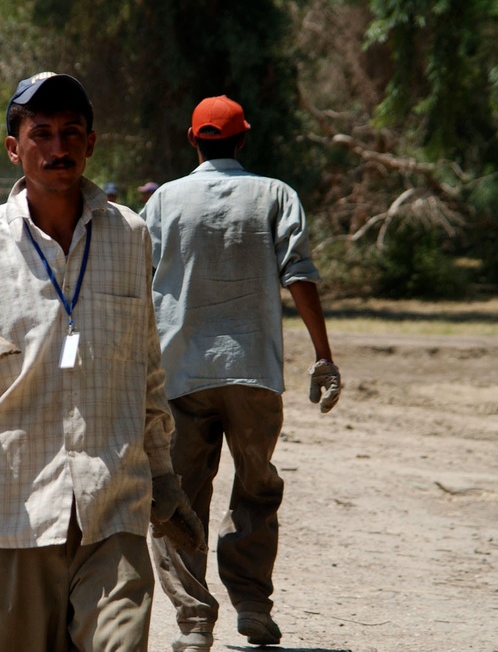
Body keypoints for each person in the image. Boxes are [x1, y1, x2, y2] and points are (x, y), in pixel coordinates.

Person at [0, 71, 203, 652]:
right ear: (13, 148)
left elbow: (146, 366)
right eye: (40, 133)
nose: (57, 147)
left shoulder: (130, 237)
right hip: (13, 507)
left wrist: (164, 474)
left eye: (71, 132)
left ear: (91, 144)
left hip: (112, 504)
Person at [141, 95, 342, 651]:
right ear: (243, 139)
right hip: (253, 370)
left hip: (179, 373)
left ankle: (193, 622)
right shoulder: (276, 195)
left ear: (192, 139)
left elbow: (137, 281)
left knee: (179, 493)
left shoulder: (163, 203)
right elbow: (299, 274)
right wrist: (322, 353)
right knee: (255, 488)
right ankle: (252, 605)